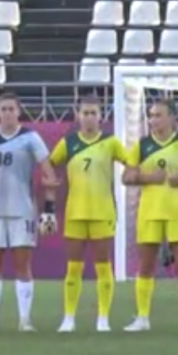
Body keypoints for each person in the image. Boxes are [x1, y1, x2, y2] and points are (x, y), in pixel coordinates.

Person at [0, 92, 56, 332]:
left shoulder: (30, 138)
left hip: (22, 210)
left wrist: (49, 210)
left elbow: (49, 175)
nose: (7, 113)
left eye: (11, 109)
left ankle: (24, 320)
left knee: (22, 265)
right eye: (3, 109)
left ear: (18, 111)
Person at [120, 100, 178, 332]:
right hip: (149, 213)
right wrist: (149, 178)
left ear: (172, 118)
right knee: (146, 266)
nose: (153, 120)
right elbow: (126, 177)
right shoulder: (142, 145)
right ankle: (142, 318)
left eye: (158, 115)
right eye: (151, 115)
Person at [49, 96, 128, 332]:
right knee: (73, 267)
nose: (89, 117)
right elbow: (50, 164)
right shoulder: (68, 143)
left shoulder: (111, 143)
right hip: (75, 212)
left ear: (101, 116)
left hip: (102, 211)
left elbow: (131, 161)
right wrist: (52, 184)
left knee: (103, 266)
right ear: (78, 115)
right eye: (85, 113)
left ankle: (103, 318)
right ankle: (69, 318)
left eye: (94, 113)